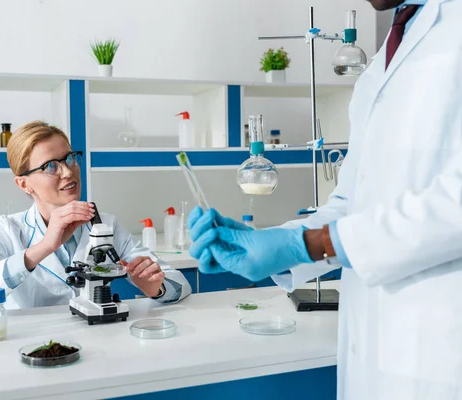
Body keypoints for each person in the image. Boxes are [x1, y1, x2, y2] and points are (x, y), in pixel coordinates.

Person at [188, 0, 462, 399]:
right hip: (375, 360)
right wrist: (280, 243)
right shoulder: (385, 58)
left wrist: (311, 244)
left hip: (442, 360)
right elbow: (352, 200)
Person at [0, 121, 191, 318]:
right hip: (34, 351)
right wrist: (42, 248)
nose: (68, 172)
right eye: (50, 167)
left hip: (95, 347)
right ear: (24, 184)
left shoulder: (104, 226)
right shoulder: (9, 231)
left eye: (70, 158)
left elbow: (179, 284)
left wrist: (155, 287)